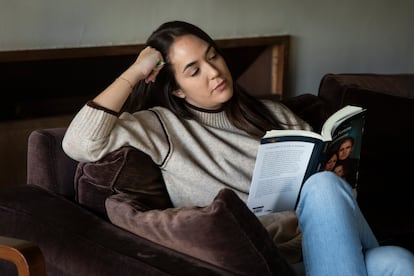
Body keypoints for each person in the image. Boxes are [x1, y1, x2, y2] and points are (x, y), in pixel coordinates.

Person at [62, 20, 414, 275]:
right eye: (193, 69)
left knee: (395, 256)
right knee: (389, 254)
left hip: (325, 246)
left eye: (213, 56)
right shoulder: (162, 127)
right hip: (272, 259)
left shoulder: (275, 114)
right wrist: (136, 71)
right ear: (178, 89)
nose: (214, 72)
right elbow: (79, 143)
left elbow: (332, 193)